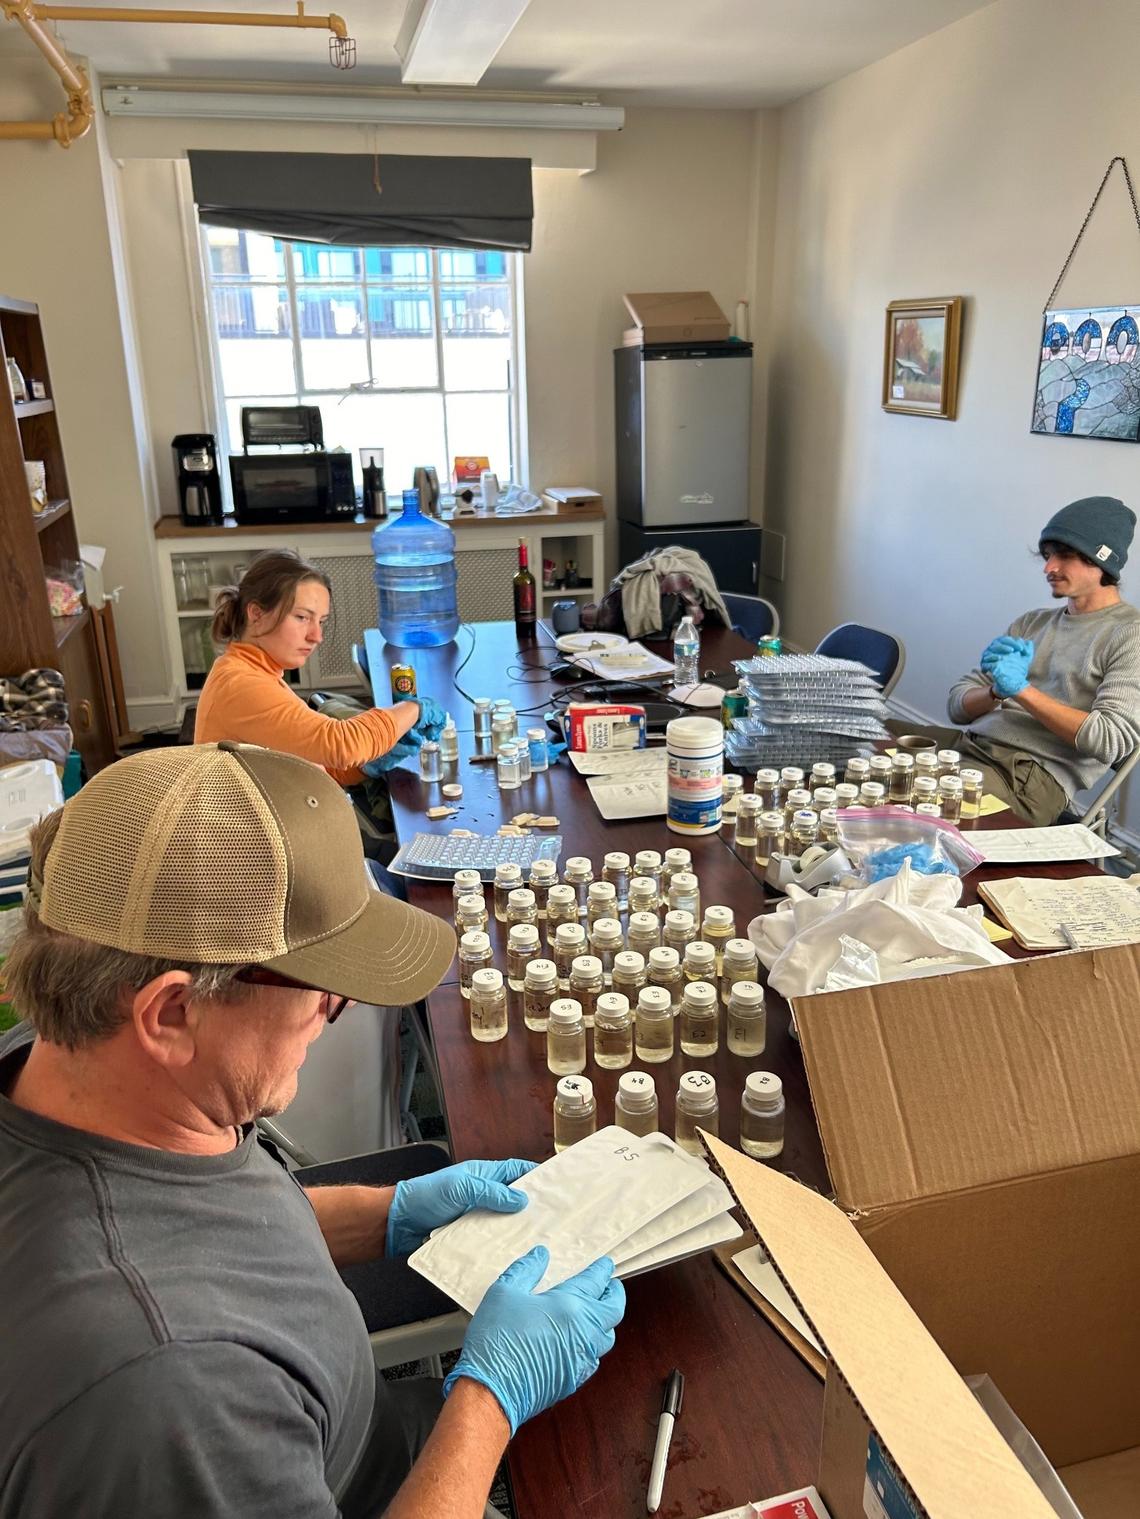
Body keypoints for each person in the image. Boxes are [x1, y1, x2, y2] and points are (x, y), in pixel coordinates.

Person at [0, 742, 624, 1518]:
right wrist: (490, 1400)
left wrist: (390, 1214)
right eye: (323, 986)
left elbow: (197, 1238)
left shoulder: (67, 1070)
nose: (345, 1006)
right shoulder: (163, 1395)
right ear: (170, 1012)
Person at [912, 496, 1139, 826]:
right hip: (971, 747)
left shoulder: (1127, 636)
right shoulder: (1032, 623)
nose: (1048, 568)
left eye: (1063, 555)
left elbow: (1109, 740)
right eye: (1047, 557)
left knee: (911, 802)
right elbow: (957, 707)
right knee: (860, 746)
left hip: (1029, 777)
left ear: (1101, 559)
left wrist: (1021, 690)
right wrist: (995, 693)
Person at [194, 549, 444, 784]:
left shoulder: (255, 672)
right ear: (256, 615)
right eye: (302, 617)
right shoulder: (241, 685)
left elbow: (318, 763)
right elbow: (341, 745)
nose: (316, 636)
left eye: (321, 621)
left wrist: (370, 763)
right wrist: (412, 708)